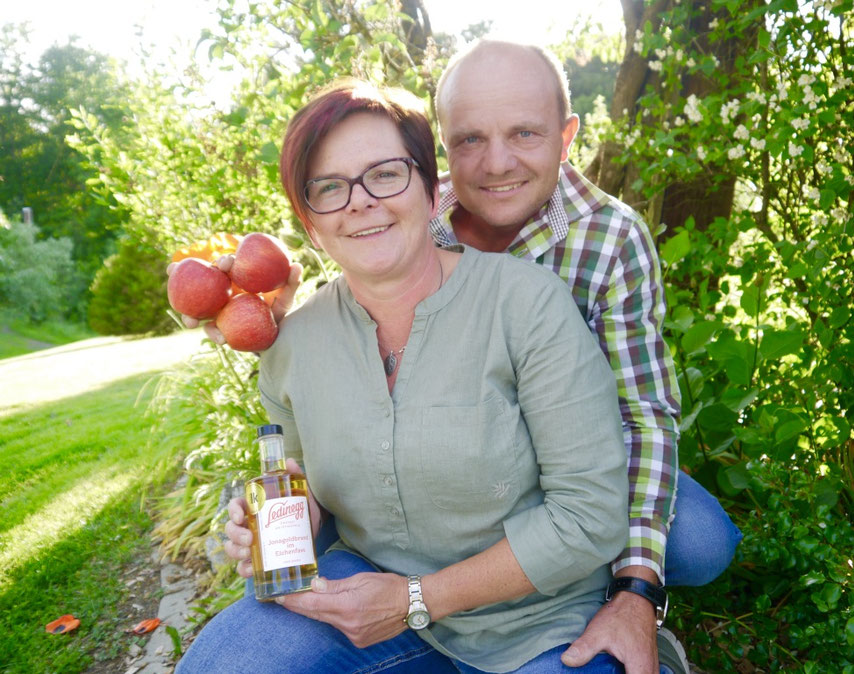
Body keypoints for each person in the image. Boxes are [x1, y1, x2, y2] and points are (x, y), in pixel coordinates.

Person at [213, 40, 739, 673]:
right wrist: (281, 516)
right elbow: (367, 253)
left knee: (698, 539)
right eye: (469, 140)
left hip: (547, 550)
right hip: (398, 548)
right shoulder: (365, 263)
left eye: (524, 133)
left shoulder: (604, 242)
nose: (496, 163)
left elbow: (640, 420)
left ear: (566, 137)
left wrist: (635, 590)